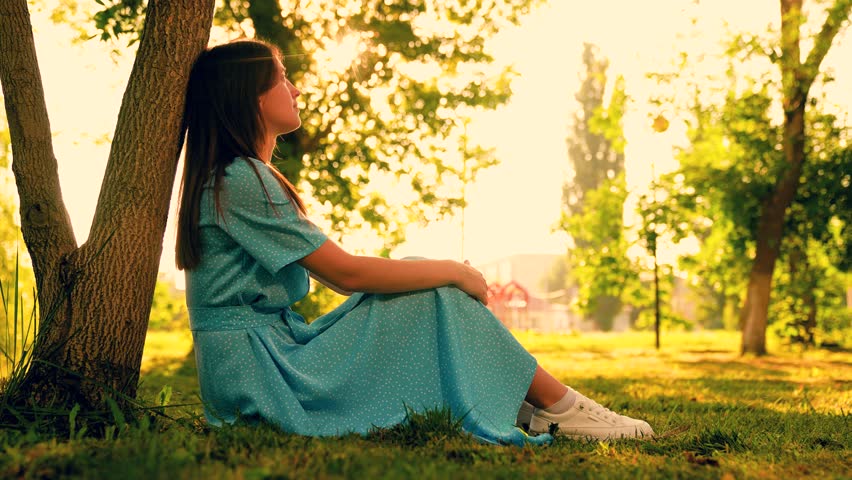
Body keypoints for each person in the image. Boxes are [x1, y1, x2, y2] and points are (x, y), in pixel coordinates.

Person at [175, 39, 654, 446]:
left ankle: (547, 405)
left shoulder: (238, 177)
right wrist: (455, 271)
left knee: (423, 276)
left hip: (268, 355)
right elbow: (347, 274)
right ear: (251, 96)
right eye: (282, 78)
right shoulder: (240, 179)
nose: (296, 89)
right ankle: (560, 406)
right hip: (262, 375)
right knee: (433, 280)